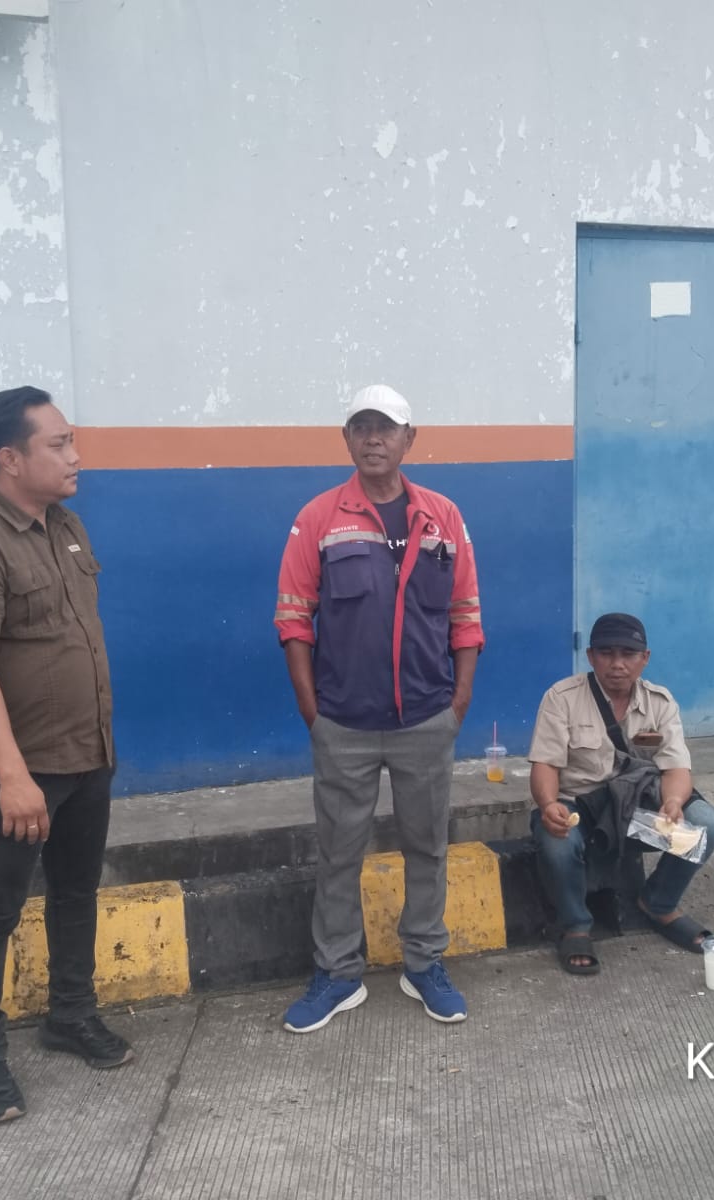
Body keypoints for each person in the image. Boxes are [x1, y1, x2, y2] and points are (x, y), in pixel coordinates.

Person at [0, 386, 130, 1124]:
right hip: (14, 772)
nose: (76, 456)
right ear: (10, 459)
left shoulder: (65, 526)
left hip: (86, 755)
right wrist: (13, 778)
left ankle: (71, 1015)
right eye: (59, 444)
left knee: (76, 895)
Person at [274, 384, 484, 1032]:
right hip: (344, 725)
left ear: (408, 439)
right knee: (339, 854)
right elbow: (293, 618)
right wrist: (314, 712)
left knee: (428, 848)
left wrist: (458, 702)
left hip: (426, 719)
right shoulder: (318, 518)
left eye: (386, 427)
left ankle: (424, 964)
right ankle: (338, 974)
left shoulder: (443, 516)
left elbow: (466, 614)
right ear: (346, 438)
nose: (373, 438)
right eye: (361, 427)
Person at [527, 613, 714, 974]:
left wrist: (673, 802)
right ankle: (575, 925)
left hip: (636, 811)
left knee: (704, 824)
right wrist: (548, 804)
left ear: (644, 658)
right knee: (557, 841)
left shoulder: (660, 702)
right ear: (590, 656)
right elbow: (545, 765)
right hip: (581, 809)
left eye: (628, 654)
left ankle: (659, 904)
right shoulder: (562, 698)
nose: (617, 664)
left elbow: (676, 768)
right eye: (606, 653)